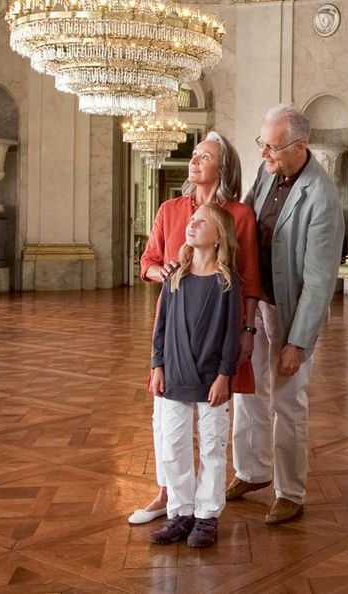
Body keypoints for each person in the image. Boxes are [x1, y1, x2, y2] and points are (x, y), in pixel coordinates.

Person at [128, 132, 261, 526]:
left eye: (205, 156)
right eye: (195, 154)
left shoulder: (239, 216)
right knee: (165, 417)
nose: (195, 160)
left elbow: (249, 279)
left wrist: (248, 331)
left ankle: (206, 510)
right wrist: (161, 270)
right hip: (173, 333)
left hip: (219, 330)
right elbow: (147, 262)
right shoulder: (170, 210)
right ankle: (169, 496)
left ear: (224, 168)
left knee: (212, 419)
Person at [226, 104, 344, 525]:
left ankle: (290, 491)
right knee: (248, 392)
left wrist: (298, 343)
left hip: (289, 310)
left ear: (301, 145)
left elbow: (318, 280)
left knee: (288, 401)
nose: (264, 155)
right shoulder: (267, 172)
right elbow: (245, 221)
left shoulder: (322, 197)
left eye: (272, 148)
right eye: (262, 144)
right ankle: (251, 471)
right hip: (254, 302)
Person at [148, 203, 241, 548]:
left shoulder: (227, 283)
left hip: (211, 379)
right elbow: (162, 326)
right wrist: (157, 365)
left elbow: (231, 335)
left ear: (218, 237)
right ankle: (180, 512)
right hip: (174, 374)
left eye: (202, 222)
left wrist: (224, 376)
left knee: (213, 448)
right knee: (173, 446)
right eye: (192, 220)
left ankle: (207, 515)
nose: (192, 225)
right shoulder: (174, 278)